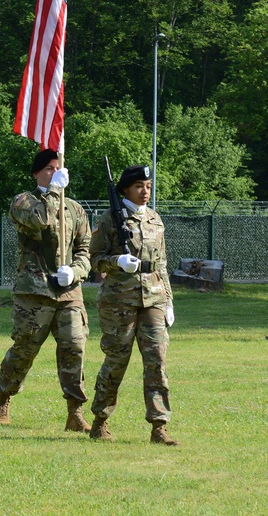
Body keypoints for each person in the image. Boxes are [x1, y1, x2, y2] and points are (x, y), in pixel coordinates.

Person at [0, 149, 92, 433]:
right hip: (34, 290)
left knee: (75, 348)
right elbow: (40, 219)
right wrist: (55, 190)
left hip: (69, 292)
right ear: (36, 173)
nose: (54, 173)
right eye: (48, 169)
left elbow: (85, 249)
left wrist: (76, 271)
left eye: (57, 168)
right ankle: (2, 398)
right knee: (24, 350)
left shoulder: (75, 209)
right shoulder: (24, 201)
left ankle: (75, 411)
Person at [88, 164, 179, 445]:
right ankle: (100, 421)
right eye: (139, 186)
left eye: (148, 186)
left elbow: (161, 263)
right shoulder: (109, 219)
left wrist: (168, 300)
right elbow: (94, 259)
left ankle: (159, 426)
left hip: (152, 297)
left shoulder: (154, 219)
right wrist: (117, 262)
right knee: (117, 360)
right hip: (119, 300)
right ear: (126, 188)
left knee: (157, 361)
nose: (145, 191)